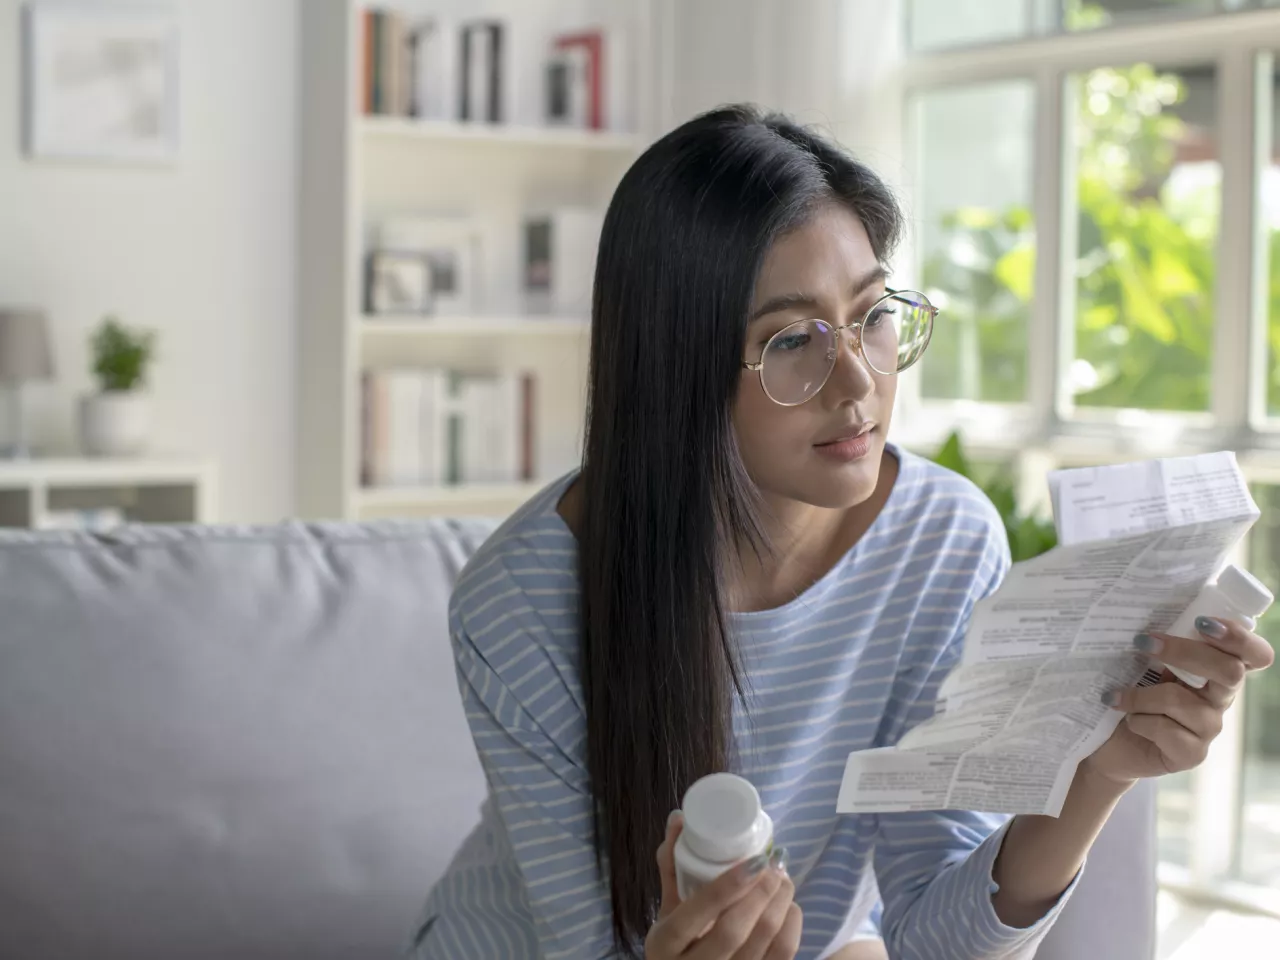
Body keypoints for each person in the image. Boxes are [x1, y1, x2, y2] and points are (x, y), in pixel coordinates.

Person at [409, 105, 1275, 960]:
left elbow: (937, 937)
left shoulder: (941, 543)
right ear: (677, 369)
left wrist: (1103, 770)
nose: (857, 382)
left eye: (872, 315)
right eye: (792, 339)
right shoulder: (521, 602)